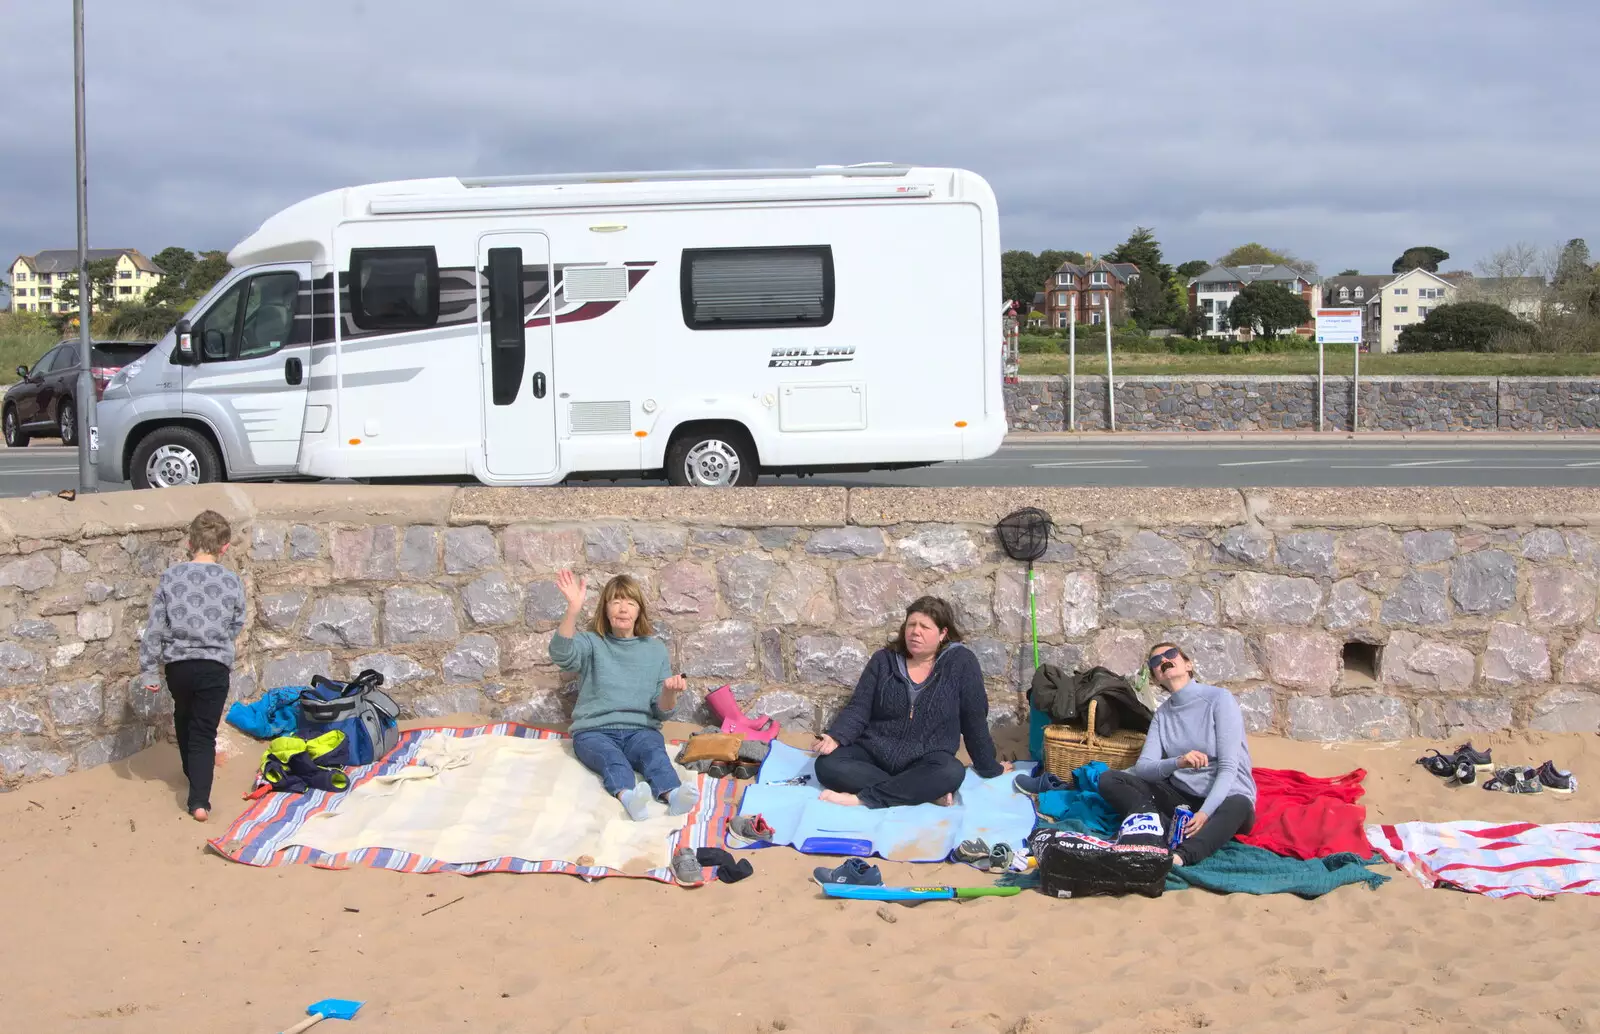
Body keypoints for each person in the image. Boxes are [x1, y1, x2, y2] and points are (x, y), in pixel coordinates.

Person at [814, 596, 1010, 808]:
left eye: (925, 627)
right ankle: (922, 792)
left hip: (926, 760)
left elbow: (974, 719)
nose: (915, 632)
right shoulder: (883, 660)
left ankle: (862, 798)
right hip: (874, 752)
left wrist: (990, 767)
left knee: (951, 771)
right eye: (911, 625)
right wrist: (836, 737)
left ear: (943, 633)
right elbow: (859, 707)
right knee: (827, 765)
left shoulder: (961, 663)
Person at [549, 570, 699, 821]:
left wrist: (668, 692)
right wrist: (573, 609)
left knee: (655, 754)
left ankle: (673, 796)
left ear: (639, 610)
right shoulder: (591, 642)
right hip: (594, 731)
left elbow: (662, 710)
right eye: (616, 601)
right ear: (605, 609)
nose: (623, 608)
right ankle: (630, 798)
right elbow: (561, 655)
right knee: (612, 759)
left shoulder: (654, 650)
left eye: (630, 602)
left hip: (640, 731)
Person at [1097, 642, 1257, 867]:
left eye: (1170, 654)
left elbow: (1229, 767)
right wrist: (1178, 762)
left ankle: (1181, 856)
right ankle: (1161, 826)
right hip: (1181, 799)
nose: (1163, 661)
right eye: (1155, 661)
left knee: (1239, 805)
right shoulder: (1162, 716)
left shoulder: (1219, 699)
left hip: (1226, 798)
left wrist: (1205, 813)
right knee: (1109, 779)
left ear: (1188, 664)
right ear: (1156, 677)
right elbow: (1144, 767)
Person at [139, 510, 247, 822]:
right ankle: (199, 801)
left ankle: (191, 770)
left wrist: (149, 668)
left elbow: (155, 627)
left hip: (179, 667)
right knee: (203, 731)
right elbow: (236, 621)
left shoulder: (171, 577)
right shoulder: (231, 580)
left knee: (184, 716)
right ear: (224, 547)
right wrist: (217, 641)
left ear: (190, 542)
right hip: (214, 666)